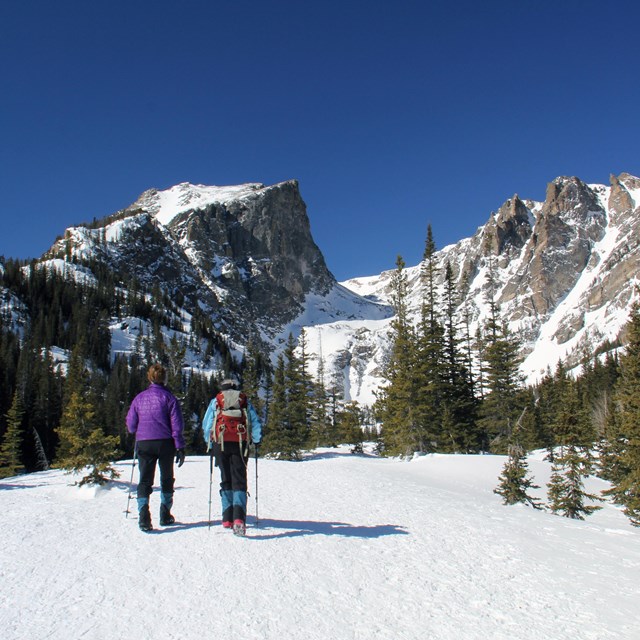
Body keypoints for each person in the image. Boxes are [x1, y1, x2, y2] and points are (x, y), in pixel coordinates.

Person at [126, 363, 186, 532]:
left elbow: (131, 425)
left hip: (144, 442)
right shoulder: (170, 398)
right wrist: (180, 446)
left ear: (150, 378)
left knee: (145, 479)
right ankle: (165, 514)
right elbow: (177, 426)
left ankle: (144, 516)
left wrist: (139, 431)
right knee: (166, 478)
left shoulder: (139, 398)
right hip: (165, 442)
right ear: (164, 379)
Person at [202, 377, 262, 536]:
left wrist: (209, 441)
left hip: (219, 442)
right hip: (240, 443)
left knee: (225, 478)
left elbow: (207, 424)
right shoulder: (244, 401)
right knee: (239, 479)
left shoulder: (216, 401)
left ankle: (227, 517)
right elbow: (254, 422)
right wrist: (256, 440)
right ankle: (239, 519)